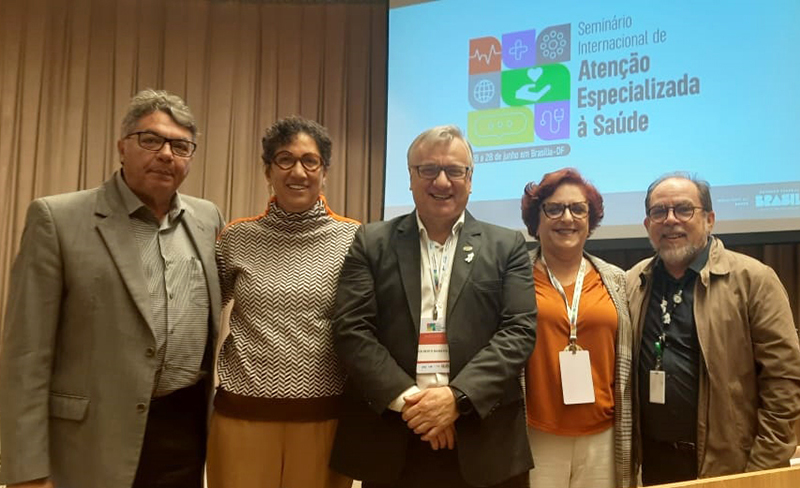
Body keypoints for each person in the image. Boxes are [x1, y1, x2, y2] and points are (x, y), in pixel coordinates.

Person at [0, 89, 224, 488]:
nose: (166, 154)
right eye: (151, 140)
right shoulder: (58, 219)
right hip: (91, 442)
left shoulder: (208, 219)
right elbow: (26, 355)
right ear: (122, 147)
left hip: (185, 434)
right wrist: (27, 471)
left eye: (180, 146)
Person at [330, 125, 538, 488]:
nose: (442, 181)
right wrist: (415, 405)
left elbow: (518, 331)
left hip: (484, 439)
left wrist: (456, 400)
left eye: (454, 170)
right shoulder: (371, 242)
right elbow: (351, 329)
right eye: (428, 169)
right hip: (393, 437)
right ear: (410, 177)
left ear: (470, 179)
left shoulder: (507, 246)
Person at [207, 116, 358, 488]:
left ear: (325, 172)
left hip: (324, 419)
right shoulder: (237, 237)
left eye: (310, 161)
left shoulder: (355, 239)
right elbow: (203, 315)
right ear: (268, 170)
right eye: (285, 160)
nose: (298, 172)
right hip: (241, 417)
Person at [626, 172, 800, 485]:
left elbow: (784, 383)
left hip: (730, 468)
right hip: (652, 465)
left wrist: (760, 472)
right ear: (648, 224)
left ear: (709, 219)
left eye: (684, 209)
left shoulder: (753, 280)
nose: (671, 220)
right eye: (659, 212)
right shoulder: (633, 282)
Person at [520, 168, 634, 488]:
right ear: (536, 221)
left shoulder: (617, 280)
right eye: (554, 209)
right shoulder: (513, 277)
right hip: (537, 434)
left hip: (604, 436)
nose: (567, 218)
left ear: (590, 220)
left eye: (578, 209)